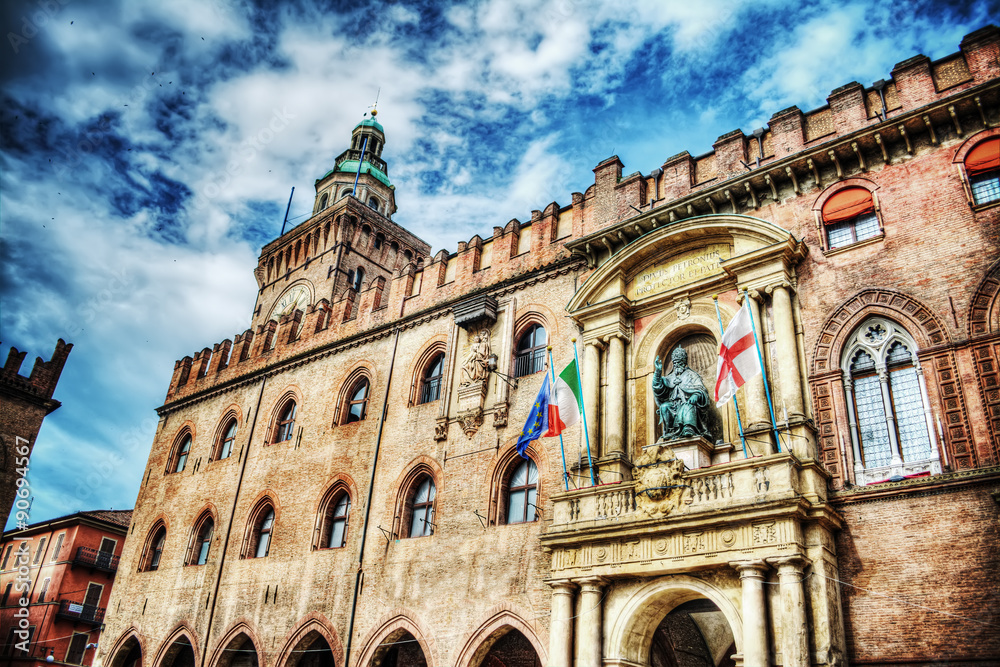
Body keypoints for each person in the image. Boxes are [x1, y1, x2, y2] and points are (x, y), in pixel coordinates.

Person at [652, 347, 711, 440]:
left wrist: (696, 395)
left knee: (687, 406)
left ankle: (689, 429)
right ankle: (671, 432)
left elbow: (701, 389)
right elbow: (657, 388)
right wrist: (658, 373)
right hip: (673, 405)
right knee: (664, 407)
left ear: (684, 362)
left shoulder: (692, 375)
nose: (677, 365)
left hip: (688, 403)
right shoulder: (670, 377)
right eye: (675, 363)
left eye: (680, 363)